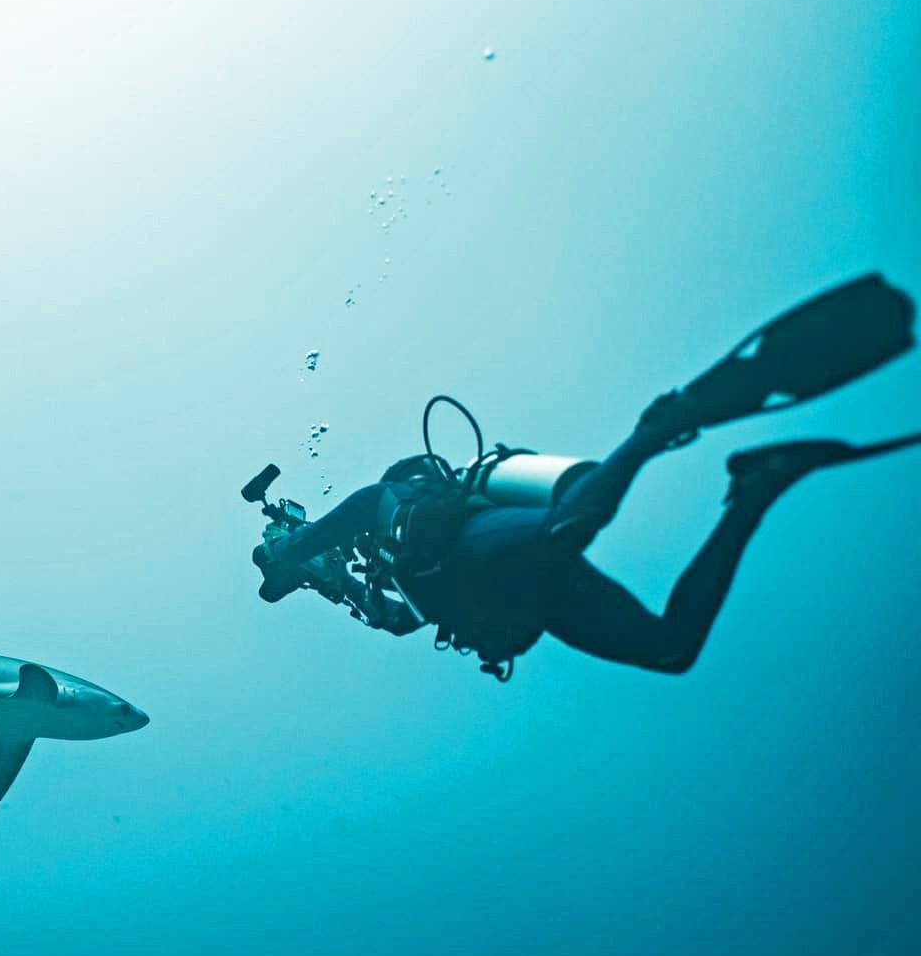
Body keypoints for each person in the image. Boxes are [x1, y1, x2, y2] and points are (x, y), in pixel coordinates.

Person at [251, 274, 919, 679]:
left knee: (569, 525)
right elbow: (402, 623)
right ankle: (755, 490)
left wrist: (293, 555)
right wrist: (336, 589)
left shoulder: (395, 506)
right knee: (670, 650)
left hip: (495, 549)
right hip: (528, 596)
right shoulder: (393, 576)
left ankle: (658, 428)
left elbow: (356, 510)